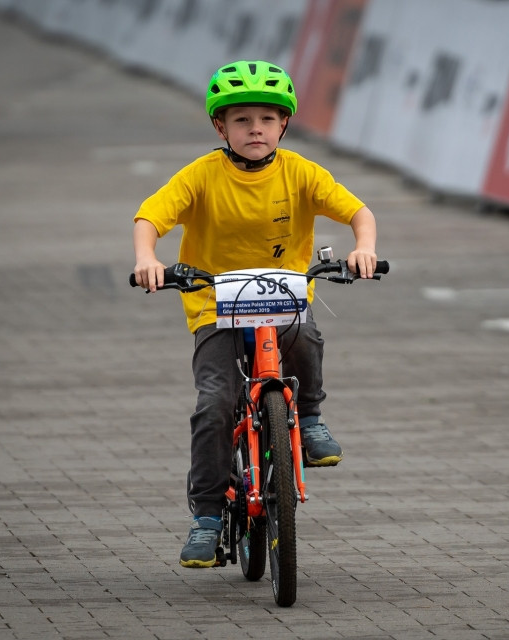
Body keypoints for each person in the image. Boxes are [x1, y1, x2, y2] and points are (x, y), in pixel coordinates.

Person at [132, 60, 378, 568]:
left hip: (283, 301)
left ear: (283, 124)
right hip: (214, 309)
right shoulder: (200, 176)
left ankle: (308, 417)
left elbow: (359, 212)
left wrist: (364, 249)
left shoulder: (302, 173)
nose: (256, 130)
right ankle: (205, 515)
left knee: (306, 340)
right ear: (220, 127)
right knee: (215, 404)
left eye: (267, 119)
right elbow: (150, 217)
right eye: (242, 120)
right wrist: (147, 260)